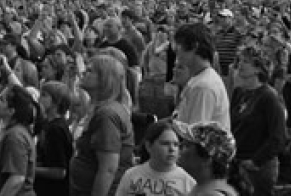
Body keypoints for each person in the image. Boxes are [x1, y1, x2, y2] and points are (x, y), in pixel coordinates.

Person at [70, 54, 134, 196]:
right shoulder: (100, 109)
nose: (83, 73)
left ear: (105, 79)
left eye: (90, 71)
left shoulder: (107, 115)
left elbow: (108, 169)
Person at [229, 46, 286, 196]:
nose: (240, 65)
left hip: (258, 167)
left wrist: (255, 161)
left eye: (246, 61)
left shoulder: (269, 97)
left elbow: (278, 136)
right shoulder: (239, 92)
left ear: (258, 69)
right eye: (240, 60)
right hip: (237, 161)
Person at [0, 85, 37, 196]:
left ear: (11, 111)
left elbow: (17, 179)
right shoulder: (12, 132)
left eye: (2, 99)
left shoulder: (15, 136)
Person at [115, 120, 196, 196]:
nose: (172, 149)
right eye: (165, 143)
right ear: (149, 146)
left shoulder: (187, 181)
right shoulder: (131, 175)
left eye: (176, 144)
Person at [173, 23, 230, 129]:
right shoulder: (198, 79)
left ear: (194, 46)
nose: (175, 50)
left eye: (179, 45)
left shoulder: (204, 86)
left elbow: (196, 135)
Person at [174, 120, 239, 196]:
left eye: (187, 145)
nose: (179, 146)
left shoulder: (213, 194)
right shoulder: (204, 188)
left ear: (206, 159)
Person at [35, 81, 74, 196]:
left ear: (57, 102)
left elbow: (60, 171)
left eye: (44, 95)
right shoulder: (46, 124)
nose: (39, 98)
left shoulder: (56, 129)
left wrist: (31, 170)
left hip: (53, 190)